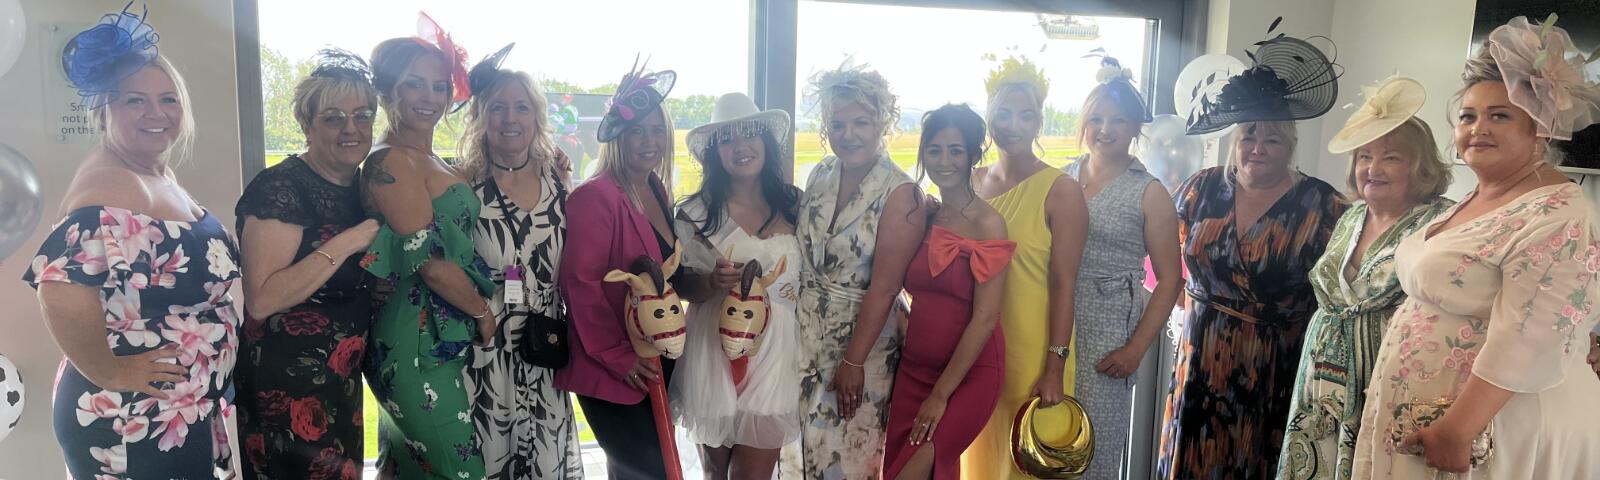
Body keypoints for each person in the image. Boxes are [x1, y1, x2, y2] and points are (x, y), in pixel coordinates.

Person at [1351, 16, 1600, 478]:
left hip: (1494, 427)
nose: (1477, 128)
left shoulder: (1557, 211)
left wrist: (1458, 429)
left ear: (1540, 128)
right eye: (1468, 116)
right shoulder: (1481, 195)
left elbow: (1531, 335)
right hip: (1431, 408)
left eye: (1499, 116)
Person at [24, 5, 240, 477]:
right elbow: (58, 290)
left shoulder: (153, 176)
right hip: (130, 417)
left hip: (171, 412)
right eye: (134, 101)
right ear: (103, 110)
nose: (156, 113)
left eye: (168, 99)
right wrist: (112, 372)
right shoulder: (111, 186)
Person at [1160, 27, 1348, 479]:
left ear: (1291, 146)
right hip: (1200, 357)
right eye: (1248, 135)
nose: (1257, 148)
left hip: (1276, 366)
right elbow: (1167, 261)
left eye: (1272, 140)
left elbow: (1339, 292)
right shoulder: (1198, 189)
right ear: (1234, 139)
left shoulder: (1325, 206)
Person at [1275, 76, 1455, 480]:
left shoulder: (1442, 222)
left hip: (1389, 377)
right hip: (1321, 382)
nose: (1372, 168)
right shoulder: (1352, 215)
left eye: (1391, 157)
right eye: (1364, 156)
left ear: (1420, 165)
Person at [234, 49, 381, 479]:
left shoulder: (361, 185)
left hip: (339, 377)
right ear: (307, 123)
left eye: (363, 115)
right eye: (334, 117)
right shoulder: (281, 187)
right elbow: (261, 299)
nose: (351, 129)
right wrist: (350, 241)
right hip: (285, 385)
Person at [360, 16, 496, 478]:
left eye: (439, 86)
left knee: (412, 469)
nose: (429, 97)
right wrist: (482, 312)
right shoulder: (391, 161)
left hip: (436, 337)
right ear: (387, 91)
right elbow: (432, 265)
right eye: (414, 84)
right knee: (461, 471)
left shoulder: (429, 157)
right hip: (413, 341)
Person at [792, 63, 925, 479]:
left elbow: (885, 289)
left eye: (861, 122)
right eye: (838, 123)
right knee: (799, 453)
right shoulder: (820, 173)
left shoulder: (900, 192)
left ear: (883, 122)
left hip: (862, 346)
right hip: (802, 335)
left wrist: (853, 363)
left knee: (846, 458)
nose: (848, 134)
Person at [457, 44, 584, 479]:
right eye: (498, 108)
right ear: (480, 116)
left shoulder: (559, 181)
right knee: (490, 460)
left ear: (537, 117)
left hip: (544, 345)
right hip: (485, 347)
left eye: (522, 108)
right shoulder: (460, 183)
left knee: (545, 463)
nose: (510, 119)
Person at [965, 56, 1089, 480]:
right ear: (988, 117)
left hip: (1032, 351)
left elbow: (1064, 283)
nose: (1012, 124)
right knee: (980, 458)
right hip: (974, 346)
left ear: (1039, 122)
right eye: (1003, 113)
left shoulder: (1062, 191)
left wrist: (1054, 365)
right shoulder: (969, 183)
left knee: (1026, 464)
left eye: (1026, 115)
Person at [556, 61, 681, 479]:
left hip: (654, 357)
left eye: (656, 129)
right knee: (647, 471)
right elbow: (580, 286)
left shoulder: (656, 187)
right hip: (614, 367)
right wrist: (619, 357)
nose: (649, 141)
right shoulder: (596, 197)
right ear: (617, 137)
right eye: (636, 131)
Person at [1061, 56, 1183, 480]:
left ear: (1136, 128)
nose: (1105, 129)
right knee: (1042, 435)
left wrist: (1135, 351)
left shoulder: (1149, 193)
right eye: (1096, 119)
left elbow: (1171, 280)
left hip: (1110, 330)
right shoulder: (1061, 178)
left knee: (1093, 447)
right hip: (1052, 319)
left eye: (1118, 120)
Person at [670, 92, 804, 480]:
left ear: (765, 141)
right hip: (713, 352)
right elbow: (682, 287)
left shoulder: (794, 204)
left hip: (775, 353)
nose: (740, 147)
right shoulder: (695, 212)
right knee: (716, 474)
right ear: (714, 152)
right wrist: (711, 281)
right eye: (727, 139)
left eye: (750, 134)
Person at [882, 104, 1012, 480]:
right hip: (912, 372)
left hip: (969, 374)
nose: (944, 160)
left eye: (956, 150)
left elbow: (986, 316)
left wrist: (941, 394)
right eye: (934, 150)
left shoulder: (990, 224)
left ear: (973, 155)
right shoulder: (922, 214)